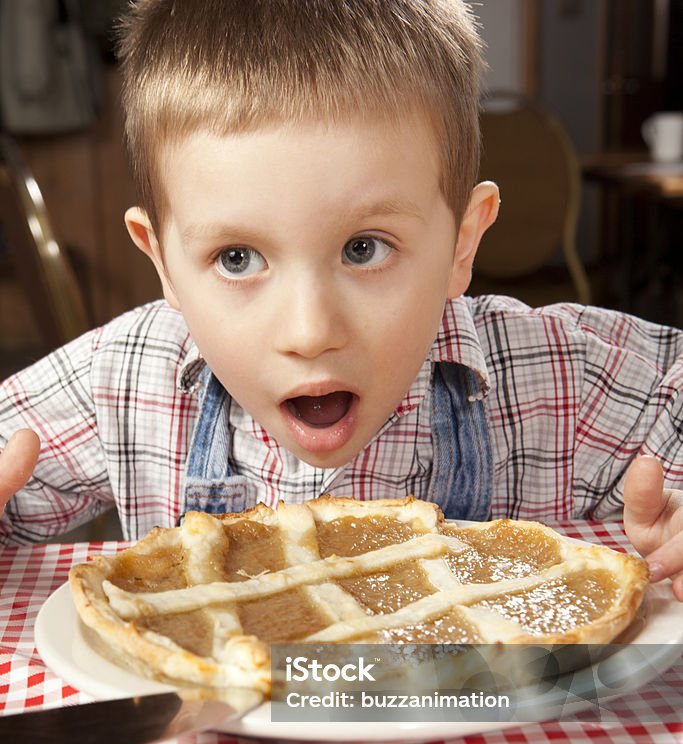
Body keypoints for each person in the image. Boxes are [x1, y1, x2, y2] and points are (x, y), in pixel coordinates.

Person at [0, 0, 681, 600]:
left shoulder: (555, 375)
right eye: (236, 258)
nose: (309, 332)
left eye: (364, 249)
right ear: (164, 265)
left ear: (461, 245)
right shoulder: (126, 375)